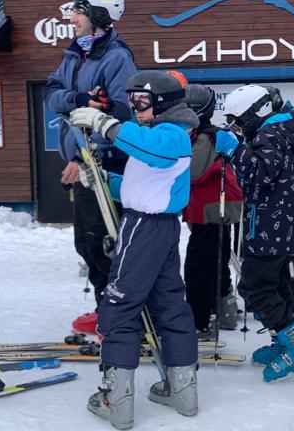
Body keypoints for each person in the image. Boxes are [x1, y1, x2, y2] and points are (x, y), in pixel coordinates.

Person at [69, 70, 199, 428]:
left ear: (163, 103)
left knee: (119, 304)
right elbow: (144, 183)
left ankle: (117, 401)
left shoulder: (172, 134)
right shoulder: (158, 136)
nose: (135, 107)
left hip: (144, 228)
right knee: (168, 302)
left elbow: (155, 152)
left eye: (142, 100)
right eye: (132, 100)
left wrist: (105, 124)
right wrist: (103, 180)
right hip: (158, 225)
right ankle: (182, 391)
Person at [44, 0, 137, 334]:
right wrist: (80, 99)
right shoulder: (74, 55)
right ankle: (106, 307)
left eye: (78, 11)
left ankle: (119, 314)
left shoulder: (116, 58)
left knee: (104, 243)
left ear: (99, 15)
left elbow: (119, 114)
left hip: (106, 163)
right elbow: (50, 93)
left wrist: (85, 158)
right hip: (84, 163)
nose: (71, 18)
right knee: (85, 242)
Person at [217, 84, 294, 382]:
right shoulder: (282, 129)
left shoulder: (271, 133)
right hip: (279, 222)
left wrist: (233, 149)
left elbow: (259, 173)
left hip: (269, 224)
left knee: (256, 287)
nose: (236, 127)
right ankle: (283, 341)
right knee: (278, 283)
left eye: (238, 121)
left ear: (258, 112)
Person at [182, 83, 242, 336]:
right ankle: (223, 310)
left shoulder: (205, 137)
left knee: (199, 266)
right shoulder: (202, 135)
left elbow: (192, 172)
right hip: (208, 208)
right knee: (215, 260)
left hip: (213, 209)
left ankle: (199, 321)